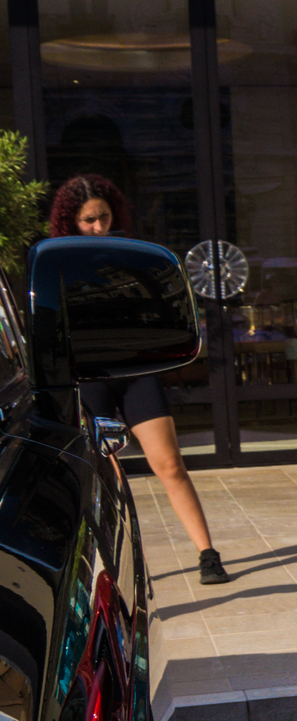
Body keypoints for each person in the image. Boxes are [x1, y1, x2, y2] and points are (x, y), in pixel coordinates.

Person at [50, 174, 230, 585]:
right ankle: (118, 570)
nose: (98, 227)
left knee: (169, 463)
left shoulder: (126, 254)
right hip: (90, 375)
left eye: (104, 217)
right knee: (107, 478)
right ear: (71, 222)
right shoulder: (57, 261)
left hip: (136, 371)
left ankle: (208, 555)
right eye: (88, 220)